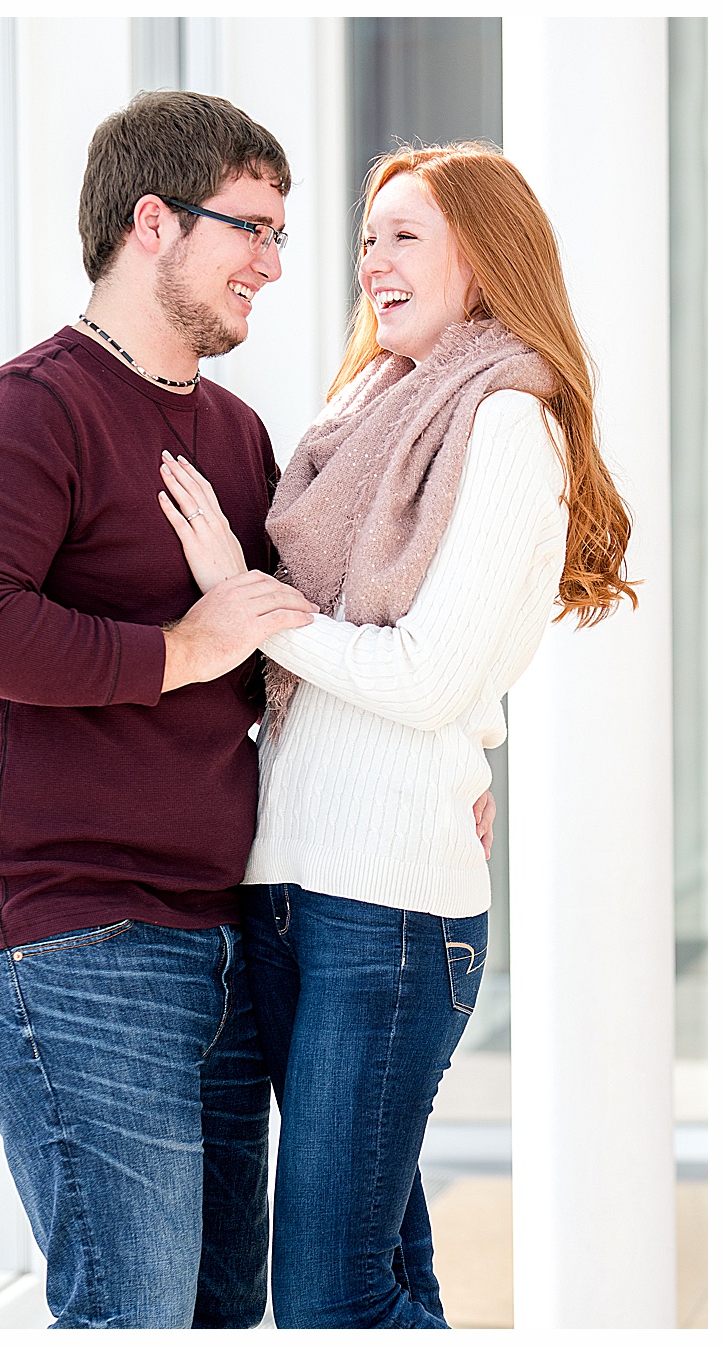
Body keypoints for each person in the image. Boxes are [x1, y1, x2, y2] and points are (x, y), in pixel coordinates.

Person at [154, 143, 635, 1327]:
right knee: (376, 1265)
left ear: (486, 256)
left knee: (326, 1291)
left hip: (391, 908)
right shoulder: (358, 415)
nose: (374, 259)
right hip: (283, 885)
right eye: (368, 236)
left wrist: (244, 595)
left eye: (406, 234)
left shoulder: (508, 421)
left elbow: (426, 677)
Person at [0, 92, 320, 1328]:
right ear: (153, 220)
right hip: (66, 933)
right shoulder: (29, 409)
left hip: (220, 931)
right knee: (126, 1313)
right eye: (251, 225)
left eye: (280, 233)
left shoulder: (240, 434)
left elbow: (276, 647)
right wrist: (184, 646)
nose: (275, 262)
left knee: (213, 1310)